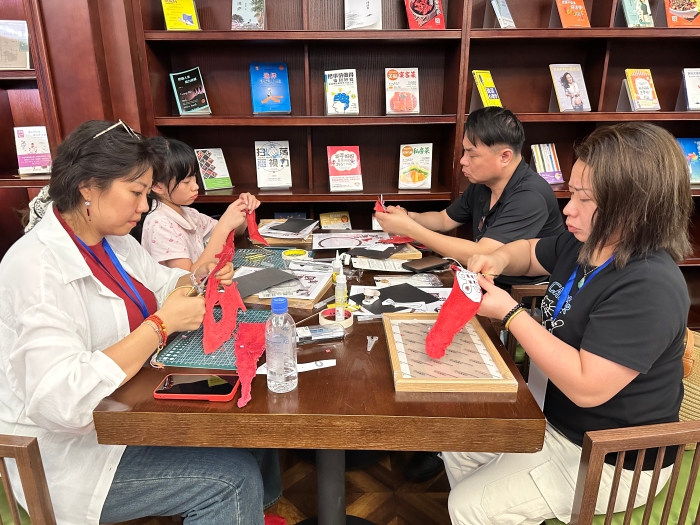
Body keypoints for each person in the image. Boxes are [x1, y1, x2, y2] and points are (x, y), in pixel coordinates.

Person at [0, 120, 275, 525]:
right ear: (88, 187)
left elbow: (163, 284)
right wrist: (160, 326)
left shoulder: (113, 241)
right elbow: (62, 402)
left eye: (147, 193)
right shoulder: (36, 269)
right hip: (69, 455)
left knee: (249, 424)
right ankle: (237, 506)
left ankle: (246, 514)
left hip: (123, 410)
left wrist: (200, 278)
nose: (145, 206)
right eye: (135, 192)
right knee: (231, 479)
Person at [445, 122, 691, 524]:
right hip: (552, 419)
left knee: (468, 505)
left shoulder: (650, 285)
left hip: (612, 458)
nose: (568, 209)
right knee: (458, 442)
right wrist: (499, 258)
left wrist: (510, 313)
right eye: (571, 192)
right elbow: (529, 252)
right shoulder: (586, 243)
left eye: (584, 198)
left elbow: (586, 387)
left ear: (634, 205)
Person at [375, 107, 564, 292]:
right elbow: (444, 219)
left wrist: (409, 228)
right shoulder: (484, 183)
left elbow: (483, 252)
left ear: (505, 157)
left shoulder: (530, 196)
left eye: (472, 155)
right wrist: (409, 217)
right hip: (482, 281)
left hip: (520, 294)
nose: (462, 161)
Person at [140, 136, 260, 271]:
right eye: (186, 182)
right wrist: (224, 225)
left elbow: (234, 232)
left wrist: (242, 209)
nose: (195, 186)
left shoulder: (190, 214)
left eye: (194, 177)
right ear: (157, 186)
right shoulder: (160, 224)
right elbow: (187, 278)